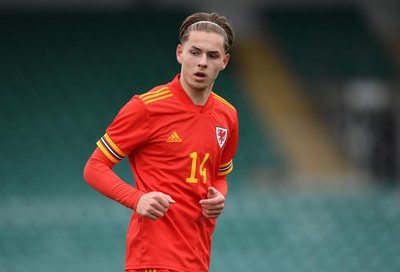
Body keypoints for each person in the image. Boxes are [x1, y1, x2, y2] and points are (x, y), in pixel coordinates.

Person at [83, 11, 238, 272]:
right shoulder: (146, 107)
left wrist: (219, 196)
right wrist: (136, 199)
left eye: (212, 56)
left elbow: (220, 176)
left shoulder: (227, 115)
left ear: (224, 61)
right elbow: (94, 167)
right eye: (194, 52)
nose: (202, 62)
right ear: (180, 53)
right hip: (153, 259)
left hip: (198, 257)